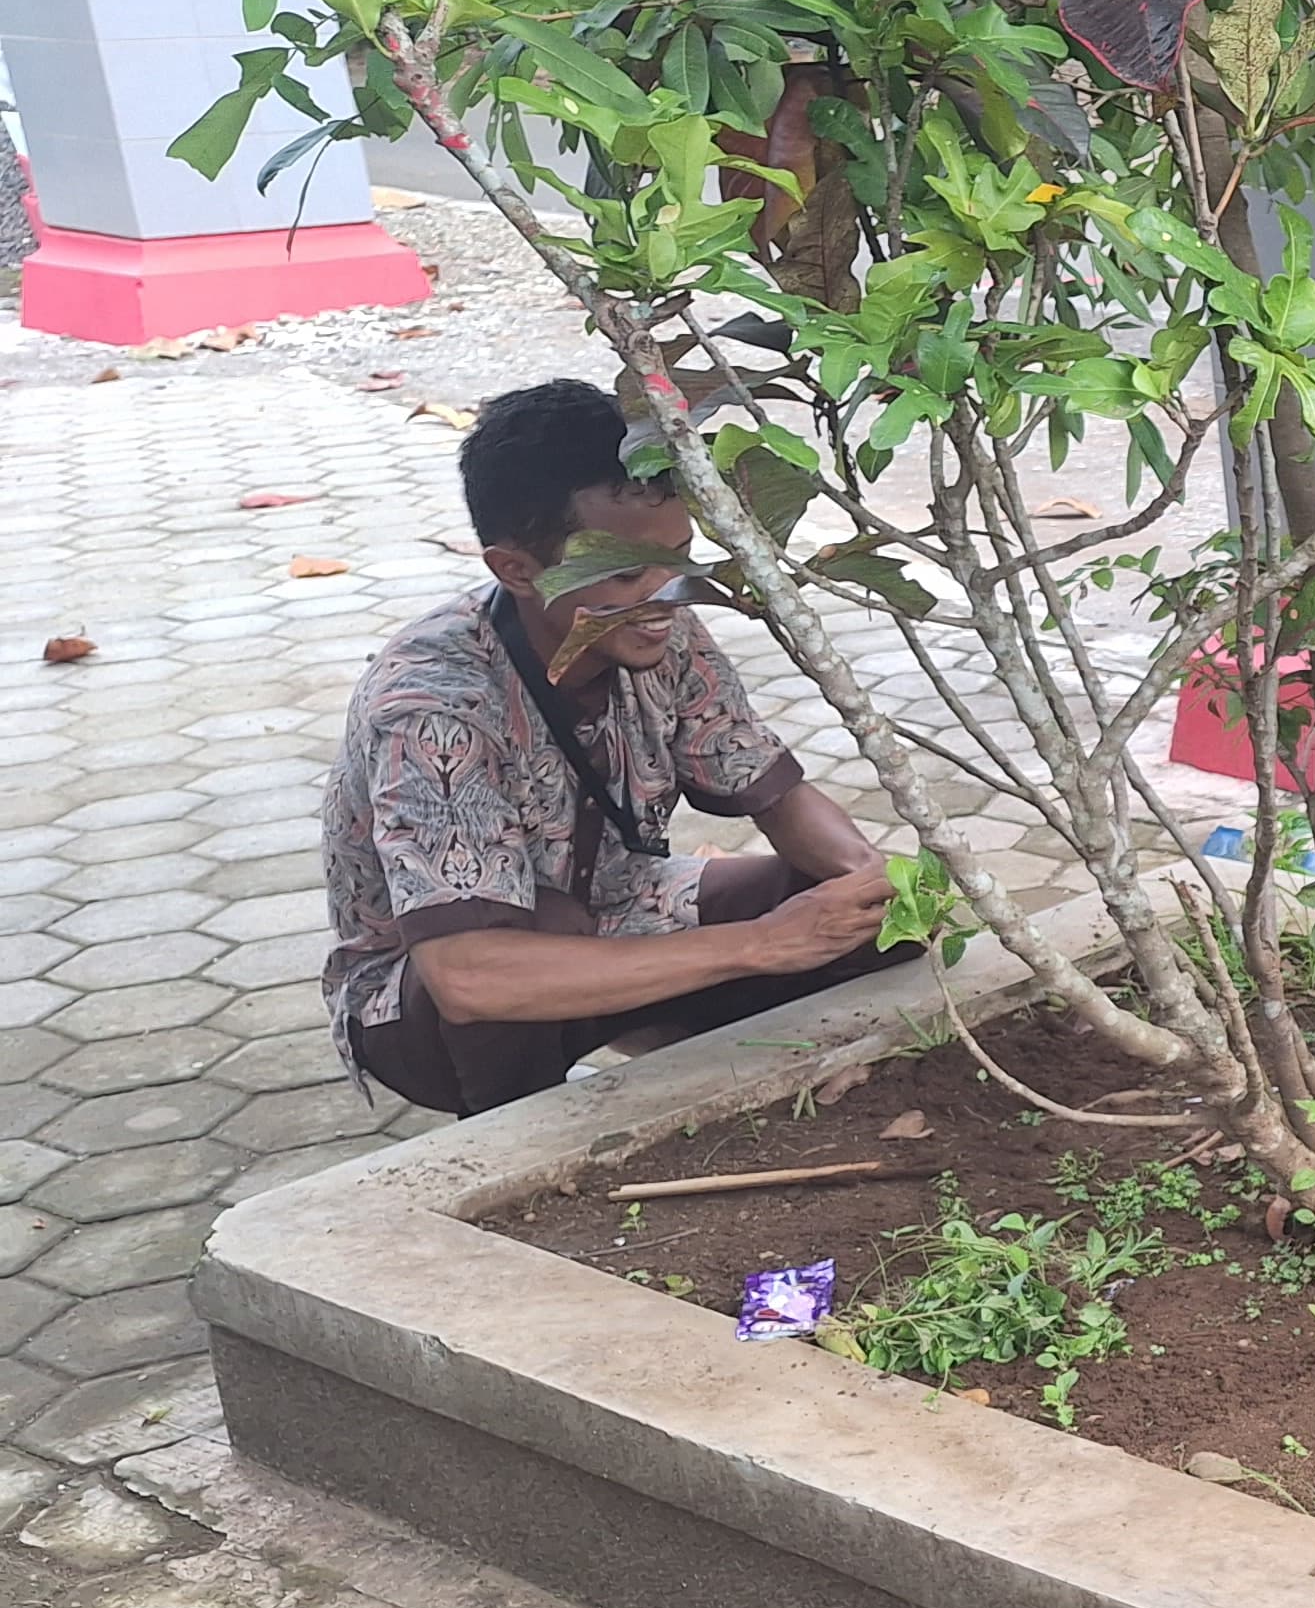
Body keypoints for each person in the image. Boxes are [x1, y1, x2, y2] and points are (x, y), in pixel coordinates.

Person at [322, 379, 903, 1116]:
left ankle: (687, 1060)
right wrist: (761, 943)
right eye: (624, 573)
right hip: (427, 998)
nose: (666, 594)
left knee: (851, 922)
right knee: (499, 993)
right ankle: (522, 1157)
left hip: (621, 907)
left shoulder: (662, 620)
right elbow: (467, 977)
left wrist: (875, 884)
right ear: (517, 569)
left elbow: (774, 791)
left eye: (679, 556)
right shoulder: (433, 703)